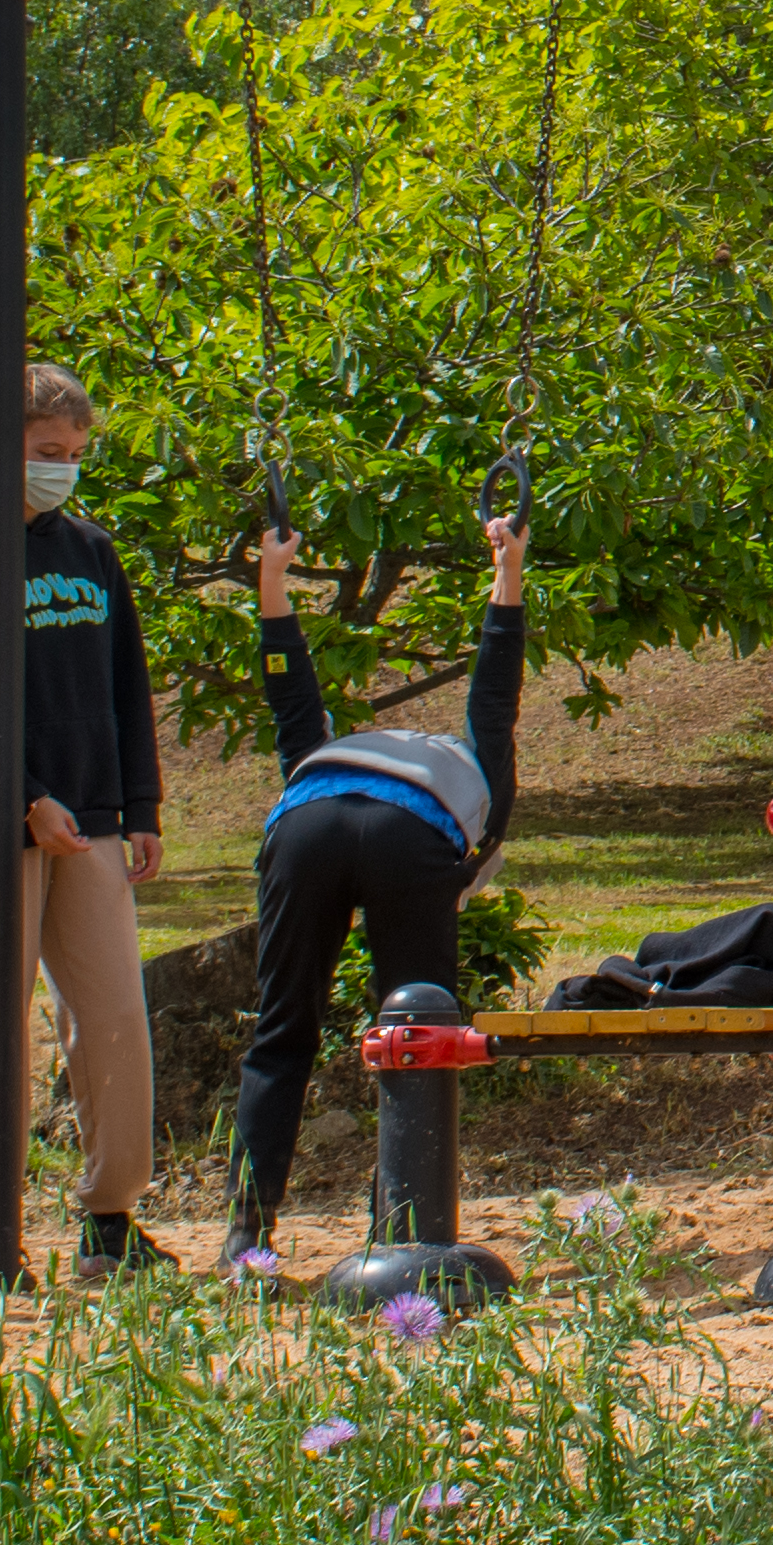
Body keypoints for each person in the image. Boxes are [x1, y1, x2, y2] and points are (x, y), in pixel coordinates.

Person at [0, 364, 168, 1283]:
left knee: (111, 1024)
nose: (62, 469)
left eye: (73, 456)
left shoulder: (91, 549)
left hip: (93, 819)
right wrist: (21, 799)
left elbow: (126, 682)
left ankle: (110, 1218)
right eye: (46, 453)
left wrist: (141, 805)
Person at [226, 513, 524, 1270]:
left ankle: (245, 1240)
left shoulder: (327, 748)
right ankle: (400, 1230)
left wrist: (272, 582)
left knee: (282, 1029)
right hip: (410, 837)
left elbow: (290, 696)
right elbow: (494, 689)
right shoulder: (481, 786)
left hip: (307, 826)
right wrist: (507, 571)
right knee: (417, 1038)